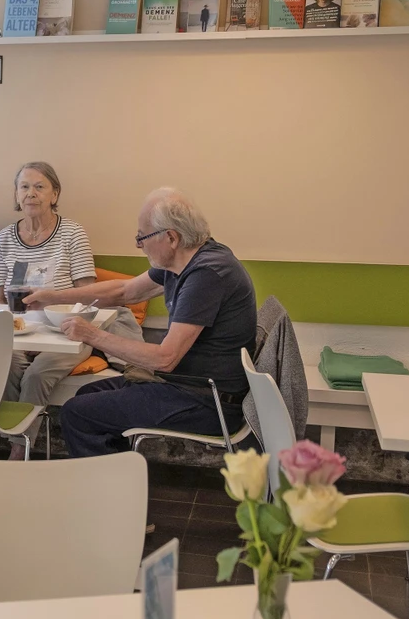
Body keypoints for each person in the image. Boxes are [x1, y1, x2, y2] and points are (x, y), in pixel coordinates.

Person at [25, 188, 256, 457]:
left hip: (206, 401)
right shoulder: (184, 259)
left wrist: (92, 335)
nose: (138, 245)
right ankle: (120, 479)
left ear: (171, 237)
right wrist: (53, 297)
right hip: (186, 385)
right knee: (87, 395)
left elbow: (164, 359)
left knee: (77, 414)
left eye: (141, 237)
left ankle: (106, 493)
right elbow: (124, 292)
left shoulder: (206, 275)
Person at [0, 162, 140, 460]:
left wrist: (53, 304)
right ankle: (12, 439)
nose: (30, 194)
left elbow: (89, 295)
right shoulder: (6, 236)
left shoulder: (72, 233)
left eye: (39, 187)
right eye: (24, 187)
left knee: (36, 375)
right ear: (16, 194)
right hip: (19, 332)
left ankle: (19, 450)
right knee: (4, 365)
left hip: (68, 331)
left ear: (54, 193)